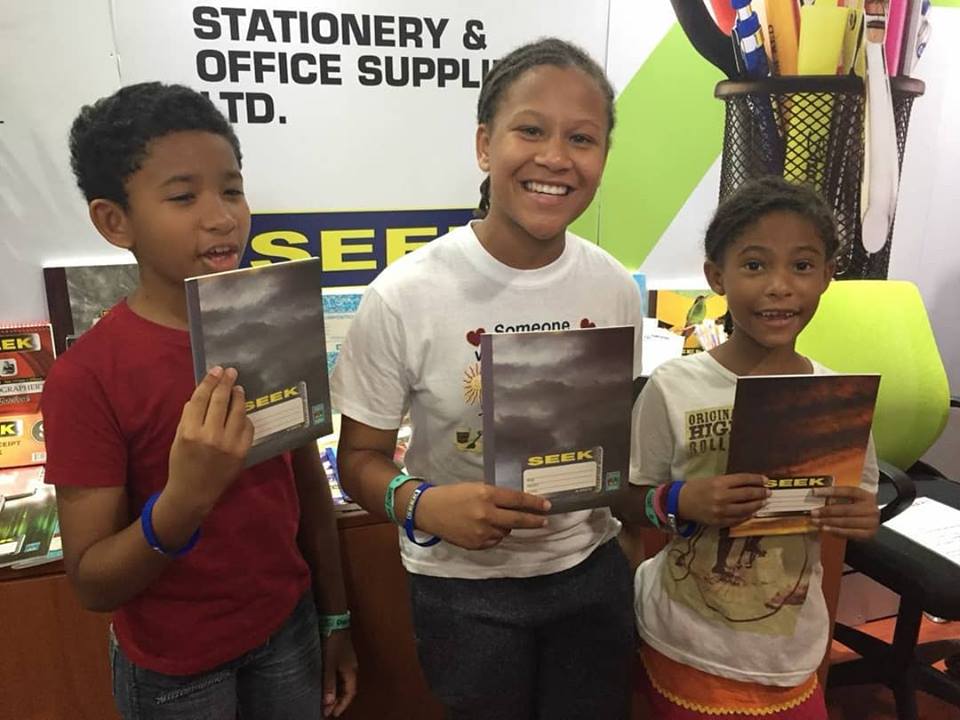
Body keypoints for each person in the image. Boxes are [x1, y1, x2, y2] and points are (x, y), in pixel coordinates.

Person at [331, 38, 643, 720]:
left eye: (581, 138)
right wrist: (421, 505)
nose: (555, 157)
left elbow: (614, 447)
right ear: (484, 145)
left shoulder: (615, 288)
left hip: (589, 575)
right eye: (530, 130)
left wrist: (643, 524)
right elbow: (358, 460)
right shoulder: (404, 295)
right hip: (462, 590)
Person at [41, 82, 357, 720]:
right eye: (184, 197)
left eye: (231, 190)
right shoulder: (87, 377)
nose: (221, 217)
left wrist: (336, 615)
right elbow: (93, 580)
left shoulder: (268, 323)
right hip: (174, 667)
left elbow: (306, 485)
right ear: (115, 221)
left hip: (288, 629)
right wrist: (185, 499)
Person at [626, 176, 880, 719]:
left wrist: (862, 517)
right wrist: (681, 500)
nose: (780, 286)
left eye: (802, 265)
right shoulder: (674, 386)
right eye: (755, 265)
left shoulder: (835, 398)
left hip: (790, 648)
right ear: (716, 276)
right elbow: (627, 499)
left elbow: (857, 499)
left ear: (828, 276)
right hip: (685, 639)